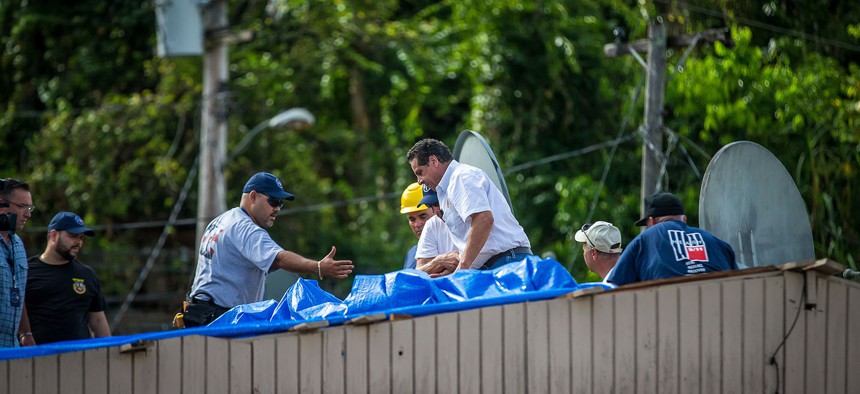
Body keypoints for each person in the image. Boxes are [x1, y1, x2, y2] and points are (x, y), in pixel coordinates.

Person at [185, 172, 354, 327]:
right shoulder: (246, 228)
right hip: (219, 318)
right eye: (273, 201)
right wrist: (318, 267)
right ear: (253, 196)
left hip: (199, 313)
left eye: (280, 203)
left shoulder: (221, 221)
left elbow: (260, 264)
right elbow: (279, 258)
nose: (277, 208)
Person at [407, 138, 531, 270]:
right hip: (493, 266)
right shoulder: (445, 191)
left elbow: (483, 219)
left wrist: (462, 269)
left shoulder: (461, 176)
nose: (419, 181)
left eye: (420, 173)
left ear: (434, 161)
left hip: (506, 263)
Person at [606, 192, 737, 286]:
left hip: (669, 314)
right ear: (684, 219)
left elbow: (613, 286)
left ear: (651, 222)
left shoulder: (644, 240)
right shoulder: (718, 244)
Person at [26, 212, 110, 343]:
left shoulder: (87, 275)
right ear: (54, 235)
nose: (79, 242)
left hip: (80, 359)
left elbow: (97, 320)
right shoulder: (25, 271)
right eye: (73, 236)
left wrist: (107, 354)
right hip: (35, 359)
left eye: (81, 238)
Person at [0, 178, 35, 347]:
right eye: (22, 207)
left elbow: (18, 293)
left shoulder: (18, 243)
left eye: (29, 208)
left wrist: (26, 333)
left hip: (13, 346)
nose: (28, 214)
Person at [414, 185, 459, 277]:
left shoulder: (472, 216)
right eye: (429, 205)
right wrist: (439, 262)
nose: (435, 211)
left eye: (437, 203)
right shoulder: (432, 224)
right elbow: (418, 273)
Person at [399, 183, 434, 270]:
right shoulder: (413, 254)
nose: (417, 224)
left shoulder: (454, 244)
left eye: (423, 216)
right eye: (412, 219)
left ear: (436, 210)